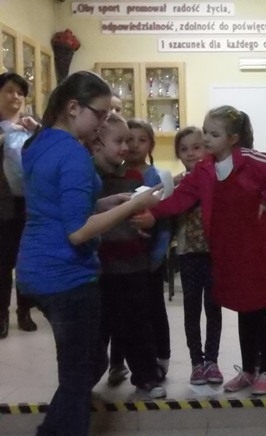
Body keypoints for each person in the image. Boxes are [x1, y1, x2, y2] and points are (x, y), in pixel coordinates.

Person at [13, 71, 162, 436]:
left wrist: (106, 202)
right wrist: (133, 206)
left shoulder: (40, 142)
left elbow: (60, 206)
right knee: (79, 374)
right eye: (101, 113)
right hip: (65, 274)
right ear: (73, 107)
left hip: (35, 267)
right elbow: (77, 231)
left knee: (87, 363)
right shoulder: (75, 155)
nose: (104, 122)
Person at [132, 105, 266, 396]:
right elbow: (181, 198)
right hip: (230, 250)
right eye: (205, 131)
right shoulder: (204, 169)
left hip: (260, 249)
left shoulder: (249, 159)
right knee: (245, 309)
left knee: (263, 308)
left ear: (233, 138)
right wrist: (154, 213)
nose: (206, 139)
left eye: (214, 134)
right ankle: (249, 370)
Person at [94, 114, 167, 399]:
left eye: (128, 140)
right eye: (119, 141)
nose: (126, 147)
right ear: (97, 143)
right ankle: (84, 380)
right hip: (99, 267)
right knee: (98, 327)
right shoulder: (89, 178)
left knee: (138, 324)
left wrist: (146, 222)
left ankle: (146, 376)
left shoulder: (134, 177)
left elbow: (145, 216)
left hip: (132, 264)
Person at [173, 126, 223, 385]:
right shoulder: (177, 183)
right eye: (184, 149)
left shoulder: (217, 179)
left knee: (214, 308)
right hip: (188, 254)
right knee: (191, 310)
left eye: (196, 147)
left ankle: (212, 361)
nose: (191, 153)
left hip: (214, 254)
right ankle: (196, 362)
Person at [125, 118, 173, 379]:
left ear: (151, 145)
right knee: (128, 312)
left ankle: (161, 357)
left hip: (150, 257)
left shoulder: (159, 177)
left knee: (154, 308)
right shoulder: (114, 175)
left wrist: (157, 256)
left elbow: (166, 223)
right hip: (122, 259)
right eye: (128, 140)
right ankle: (121, 362)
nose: (134, 145)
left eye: (141, 140)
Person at [0, 72, 37, 338]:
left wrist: (35, 132)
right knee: (2, 263)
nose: (15, 96)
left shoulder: (31, 125)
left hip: (30, 204)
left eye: (20, 93)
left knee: (26, 260)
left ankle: (24, 311)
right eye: (9, 90)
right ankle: (1, 315)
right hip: (2, 204)